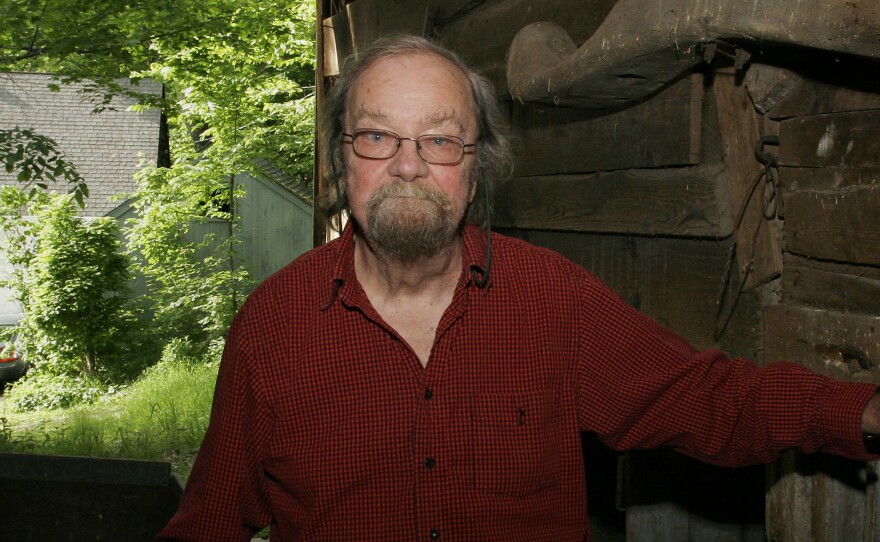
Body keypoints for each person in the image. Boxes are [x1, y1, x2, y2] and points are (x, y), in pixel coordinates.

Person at [158, 34, 880, 541]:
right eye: (377, 136)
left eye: (440, 140)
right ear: (341, 161)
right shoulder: (272, 325)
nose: (408, 165)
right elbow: (212, 523)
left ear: (477, 170)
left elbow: (705, 399)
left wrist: (863, 413)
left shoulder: (553, 301)